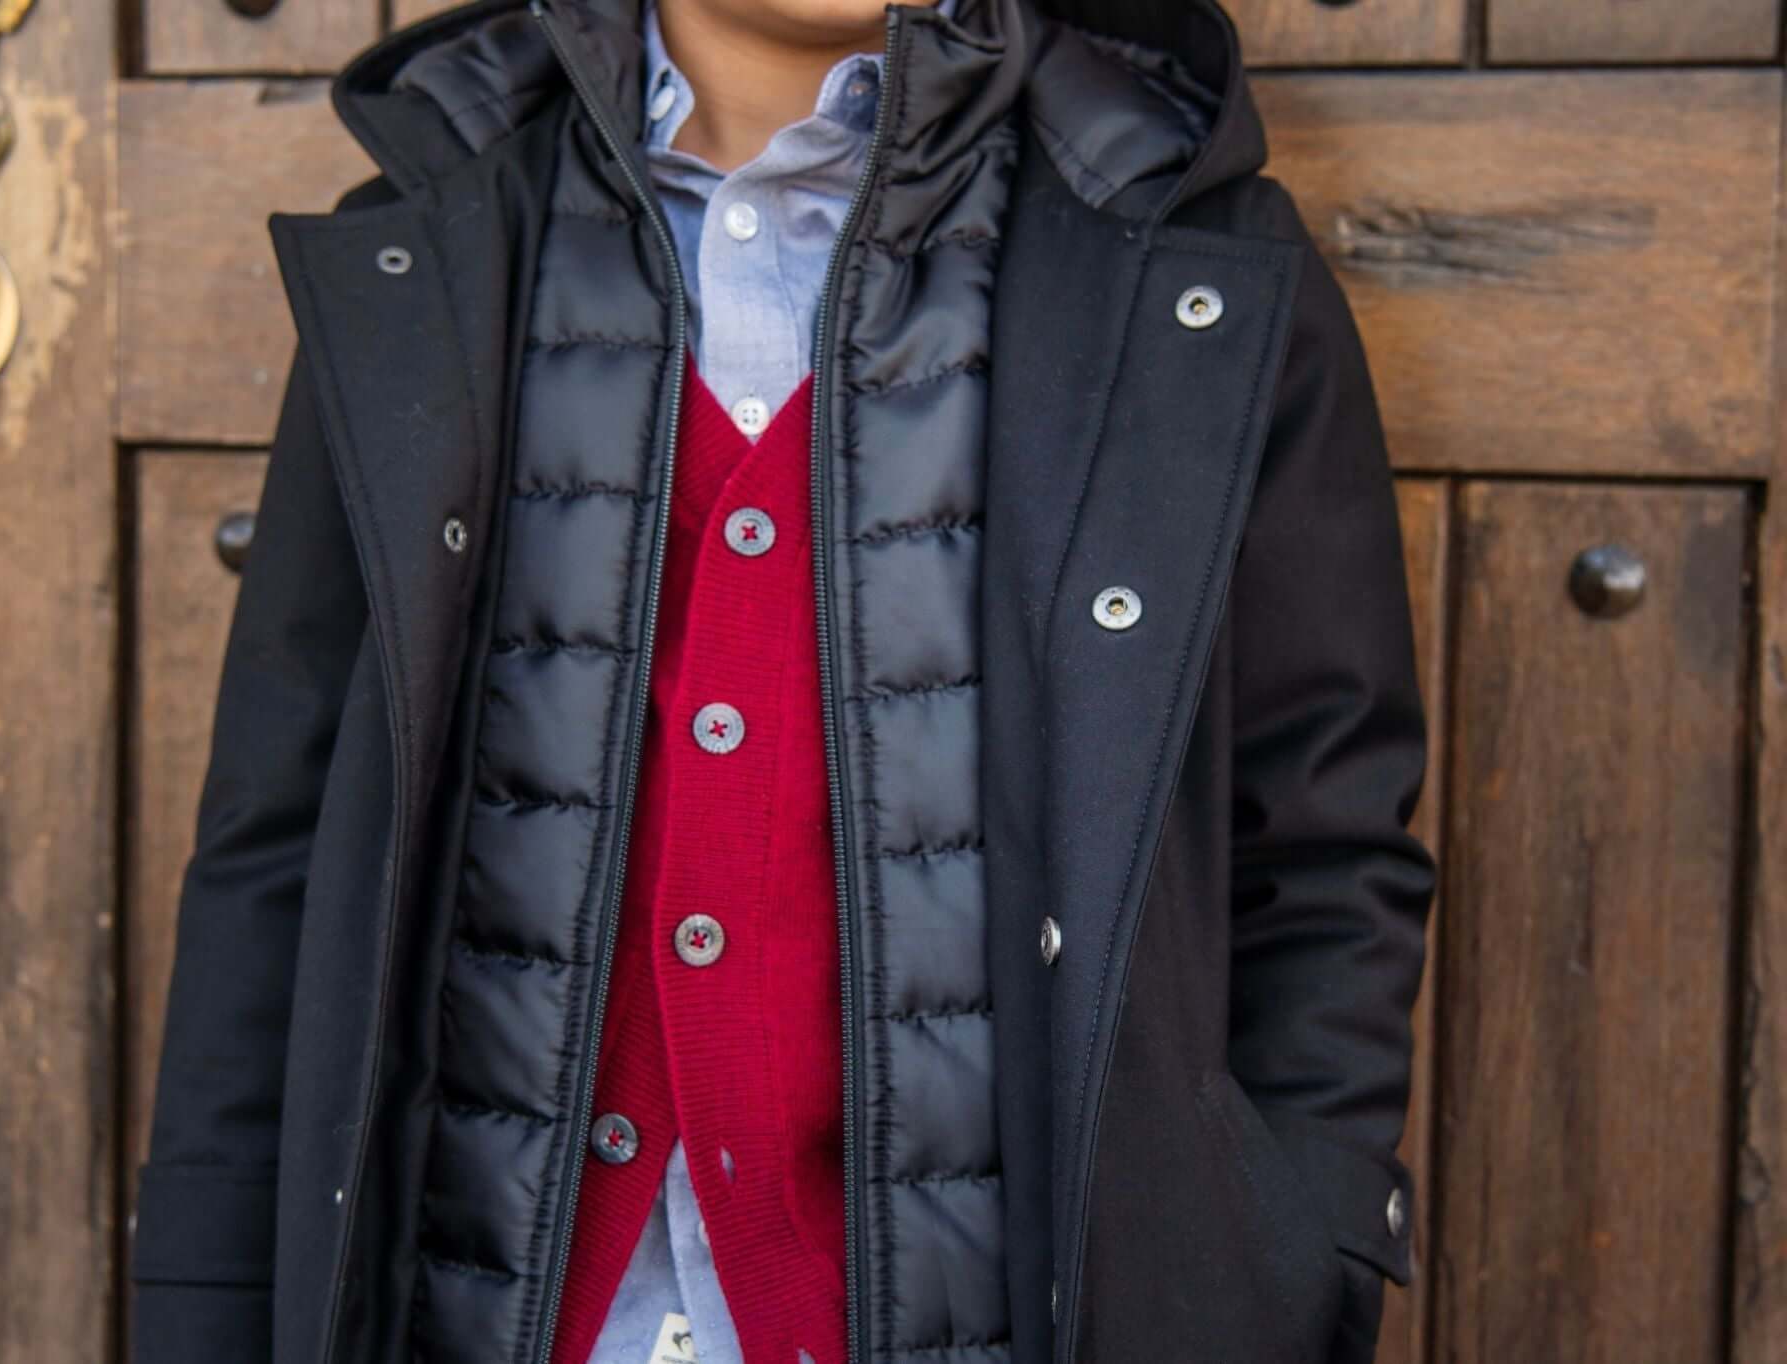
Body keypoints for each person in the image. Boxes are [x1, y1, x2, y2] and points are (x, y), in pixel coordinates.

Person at [128, 0, 1438, 1359]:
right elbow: (280, 847)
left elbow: (1320, 845)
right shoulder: (432, 238)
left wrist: (1292, 1255)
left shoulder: (1184, 256)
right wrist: (205, 1306)